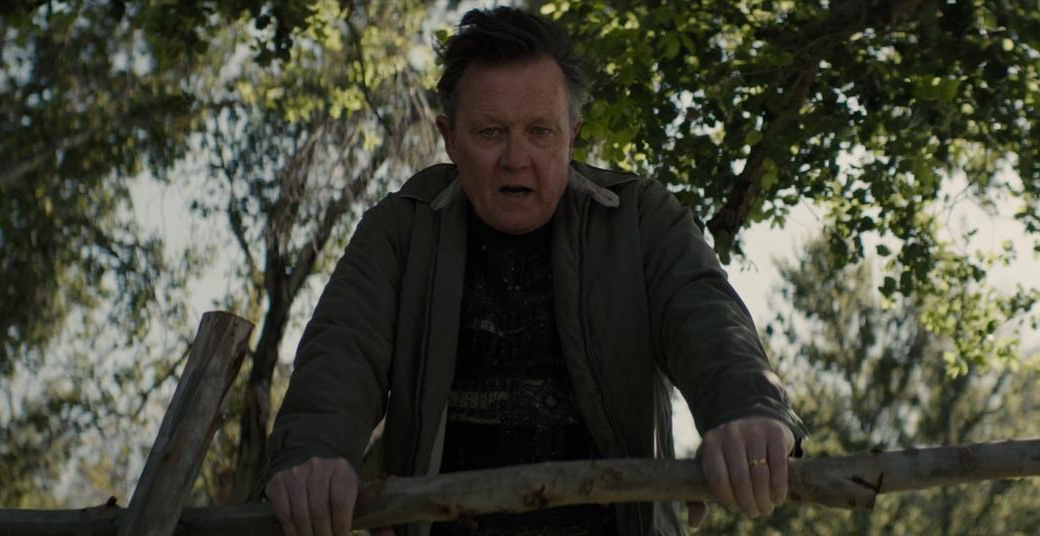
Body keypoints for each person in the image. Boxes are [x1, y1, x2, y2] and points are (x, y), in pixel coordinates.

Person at [263, 6, 805, 536]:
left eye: (540, 132)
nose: (516, 159)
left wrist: (747, 410)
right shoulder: (400, 230)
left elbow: (704, 313)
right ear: (450, 139)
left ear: (572, 136)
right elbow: (343, 347)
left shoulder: (640, 218)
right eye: (491, 132)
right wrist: (313, 453)